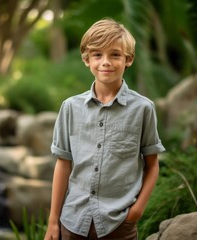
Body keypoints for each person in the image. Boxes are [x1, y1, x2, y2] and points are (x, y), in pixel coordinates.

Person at [44, 18, 165, 240]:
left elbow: (152, 165)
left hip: (119, 224)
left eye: (115, 55)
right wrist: (53, 221)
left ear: (128, 59)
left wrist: (136, 212)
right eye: (98, 55)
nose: (105, 62)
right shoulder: (70, 107)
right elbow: (63, 164)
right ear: (86, 59)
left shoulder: (143, 109)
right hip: (72, 222)